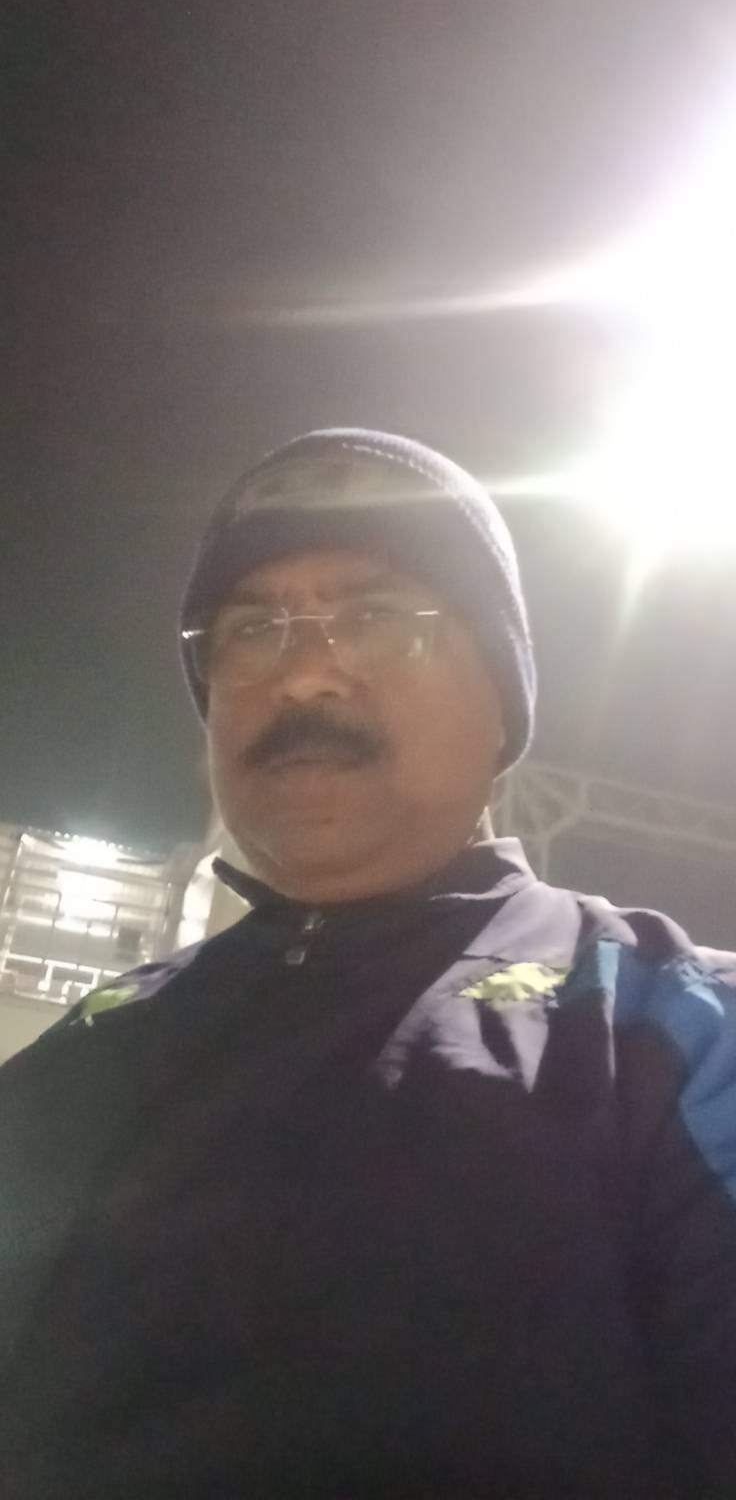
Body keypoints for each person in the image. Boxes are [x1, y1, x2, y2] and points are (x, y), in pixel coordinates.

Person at [1, 428, 735, 1500]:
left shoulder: (674, 1027)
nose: (302, 673)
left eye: (378, 615)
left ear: (503, 703)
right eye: (252, 628)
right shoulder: (90, 1044)